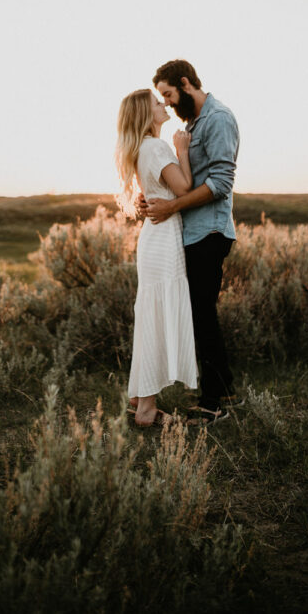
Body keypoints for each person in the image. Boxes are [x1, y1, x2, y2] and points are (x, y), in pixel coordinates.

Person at [143, 59, 240, 422]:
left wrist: (172, 206)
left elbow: (220, 184)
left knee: (202, 315)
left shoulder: (218, 119)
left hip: (210, 231)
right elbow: (182, 179)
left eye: (168, 94)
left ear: (185, 83)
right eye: (162, 99)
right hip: (193, 232)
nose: (166, 103)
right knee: (201, 312)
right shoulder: (191, 125)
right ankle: (225, 391)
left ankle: (212, 404)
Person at [116, 89, 198, 427]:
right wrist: (182, 151)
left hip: (154, 239)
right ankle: (147, 409)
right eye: (156, 102)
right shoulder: (158, 147)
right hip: (163, 240)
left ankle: (140, 398)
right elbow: (184, 190)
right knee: (156, 317)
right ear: (146, 115)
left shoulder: (140, 150)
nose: (163, 104)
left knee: (151, 315)